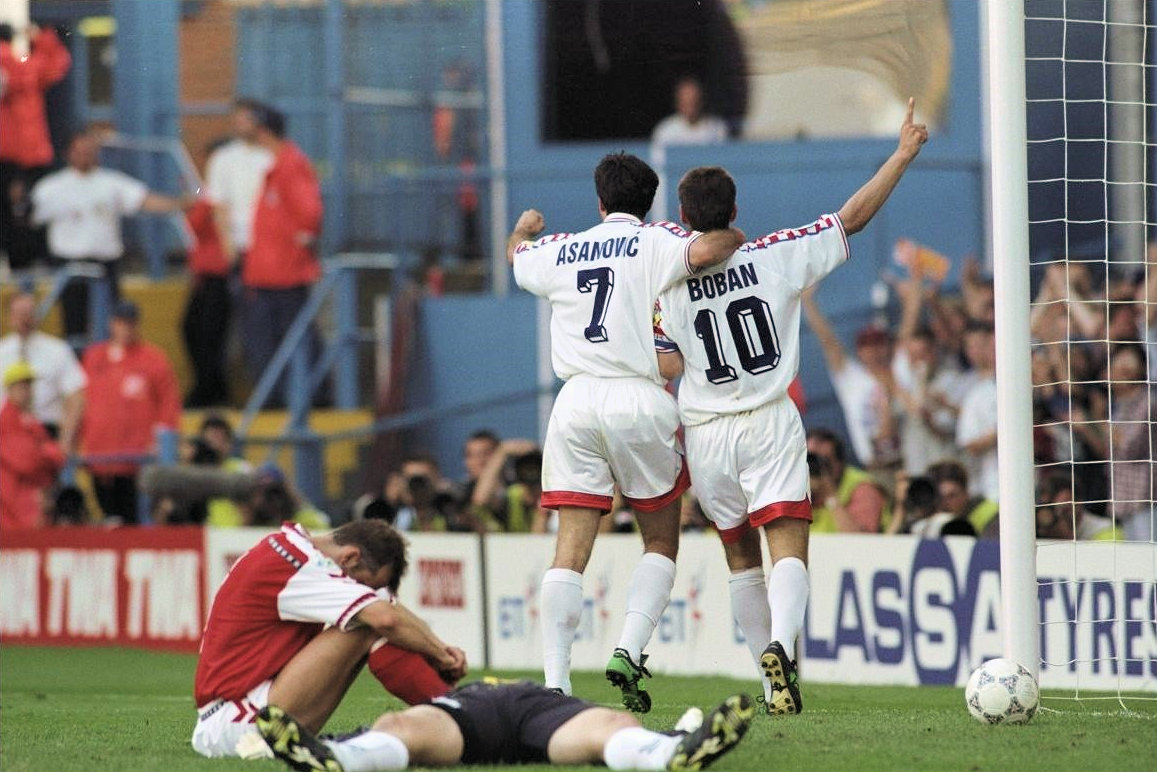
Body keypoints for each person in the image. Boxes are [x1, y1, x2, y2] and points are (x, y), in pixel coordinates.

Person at [648, 97, 927, 715]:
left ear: (685, 219)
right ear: (735, 211)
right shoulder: (776, 254)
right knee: (788, 545)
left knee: (739, 557)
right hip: (769, 420)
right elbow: (851, 220)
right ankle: (783, 645)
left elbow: (665, 364)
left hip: (706, 432)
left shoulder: (665, 284)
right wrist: (902, 154)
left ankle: (772, 680)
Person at [505, 151, 745, 709]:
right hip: (638, 397)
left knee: (569, 550)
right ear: (650, 202)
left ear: (600, 201)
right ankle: (629, 649)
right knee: (660, 539)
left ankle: (556, 683)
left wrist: (523, 227)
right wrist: (734, 233)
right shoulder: (658, 239)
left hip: (575, 401)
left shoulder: (562, 248)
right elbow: (710, 248)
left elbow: (515, 256)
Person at [192, 519, 468, 759]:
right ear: (350, 558)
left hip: (242, 713)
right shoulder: (298, 563)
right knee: (370, 623)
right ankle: (459, 715)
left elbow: (387, 610)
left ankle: (454, 712)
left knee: (375, 615)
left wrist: (436, 648)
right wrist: (441, 654)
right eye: (363, 583)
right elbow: (386, 619)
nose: (360, 589)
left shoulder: (291, 551)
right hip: (238, 722)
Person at [256, 684, 754, 772]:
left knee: (612, 724)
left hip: (540, 709)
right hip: (475, 709)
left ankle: (672, 754)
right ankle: (335, 758)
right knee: (399, 724)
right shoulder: (456, 693)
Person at [30, 130, 191, 346]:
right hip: (69, 265)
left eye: (89, 151)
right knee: (74, 325)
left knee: (110, 322)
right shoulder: (51, 187)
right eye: (79, 151)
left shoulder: (111, 183)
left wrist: (183, 203)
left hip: (105, 265)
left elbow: (144, 200)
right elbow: (29, 217)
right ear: (68, 154)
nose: (85, 156)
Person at [239, 103, 325, 405]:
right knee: (274, 339)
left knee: (290, 338)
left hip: (283, 274)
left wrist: (299, 246)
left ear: (264, 131)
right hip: (270, 272)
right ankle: (283, 398)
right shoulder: (280, 166)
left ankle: (306, 396)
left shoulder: (290, 165)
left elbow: (310, 214)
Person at [79, 300, 181, 523]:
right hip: (100, 456)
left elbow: (169, 403)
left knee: (134, 520)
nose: (126, 328)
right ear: (112, 323)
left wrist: (160, 441)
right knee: (109, 520)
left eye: (130, 323)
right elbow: (80, 400)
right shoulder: (94, 357)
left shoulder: (153, 359)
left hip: (137, 459)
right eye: (121, 322)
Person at [0, 22, 70, 270]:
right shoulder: (25, 67)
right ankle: (34, 260)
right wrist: (41, 38)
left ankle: (16, 262)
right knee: (33, 210)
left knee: (8, 213)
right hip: (32, 153)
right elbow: (58, 63)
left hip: (7, 154)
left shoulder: (16, 67)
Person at [0, 290, 86, 454]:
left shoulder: (57, 350)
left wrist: (66, 439)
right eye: (19, 314)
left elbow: (76, 396)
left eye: (28, 313)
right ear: (10, 317)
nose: (24, 319)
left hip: (46, 432)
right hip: (6, 435)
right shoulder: (2, 352)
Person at [182, 139, 234, 408]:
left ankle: (210, 391)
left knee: (211, 334)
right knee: (193, 328)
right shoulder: (207, 191)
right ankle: (210, 387)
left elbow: (198, 221)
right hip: (205, 272)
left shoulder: (222, 194)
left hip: (221, 273)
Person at [205, 99, 275, 271]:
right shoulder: (223, 158)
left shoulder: (272, 156)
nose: (242, 125)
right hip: (240, 242)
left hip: (270, 242)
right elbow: (219, 204)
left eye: (247, 120)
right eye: (238, 120)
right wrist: (227, 244)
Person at [0, 361, 66, 529]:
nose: (27, 391)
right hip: (12, 504)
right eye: (21, 386)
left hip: (33, 500)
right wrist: (47, 454)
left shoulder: (31, 421)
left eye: (29, 385)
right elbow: (27, 462)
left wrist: (46, 454)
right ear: (9, 389)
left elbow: (58, 456)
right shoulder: (6, 421)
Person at [806, 428, 891, 534]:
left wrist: (830, 497)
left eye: (824, 462)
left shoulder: (863, 488)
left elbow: (860, 540)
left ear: (839, 463)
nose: (814, 467)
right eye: (809, 460)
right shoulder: (798, 488)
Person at [650, 77, 730, 148]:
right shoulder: (666, 131)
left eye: (694, 102)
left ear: (702, 101)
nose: (690, 108)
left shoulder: (717, 128)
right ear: (678, 103)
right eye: (686, 103)